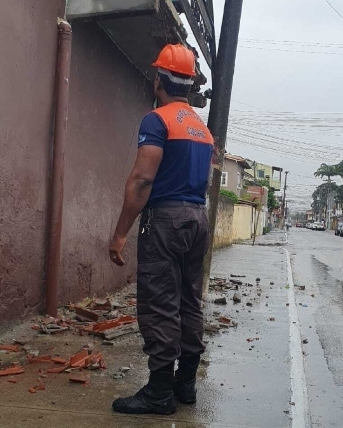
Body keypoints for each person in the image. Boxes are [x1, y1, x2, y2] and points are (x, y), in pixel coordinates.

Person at [108, 43, 214, 416]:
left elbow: (141, 181)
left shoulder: (157, 120)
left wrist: (121, 231)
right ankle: (185, 385)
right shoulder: (202, 129)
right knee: (189, 301)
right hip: (198, 219)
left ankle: (158, 393)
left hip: (165, 221)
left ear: (158, 81)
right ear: (188, 84)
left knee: (160, 305)